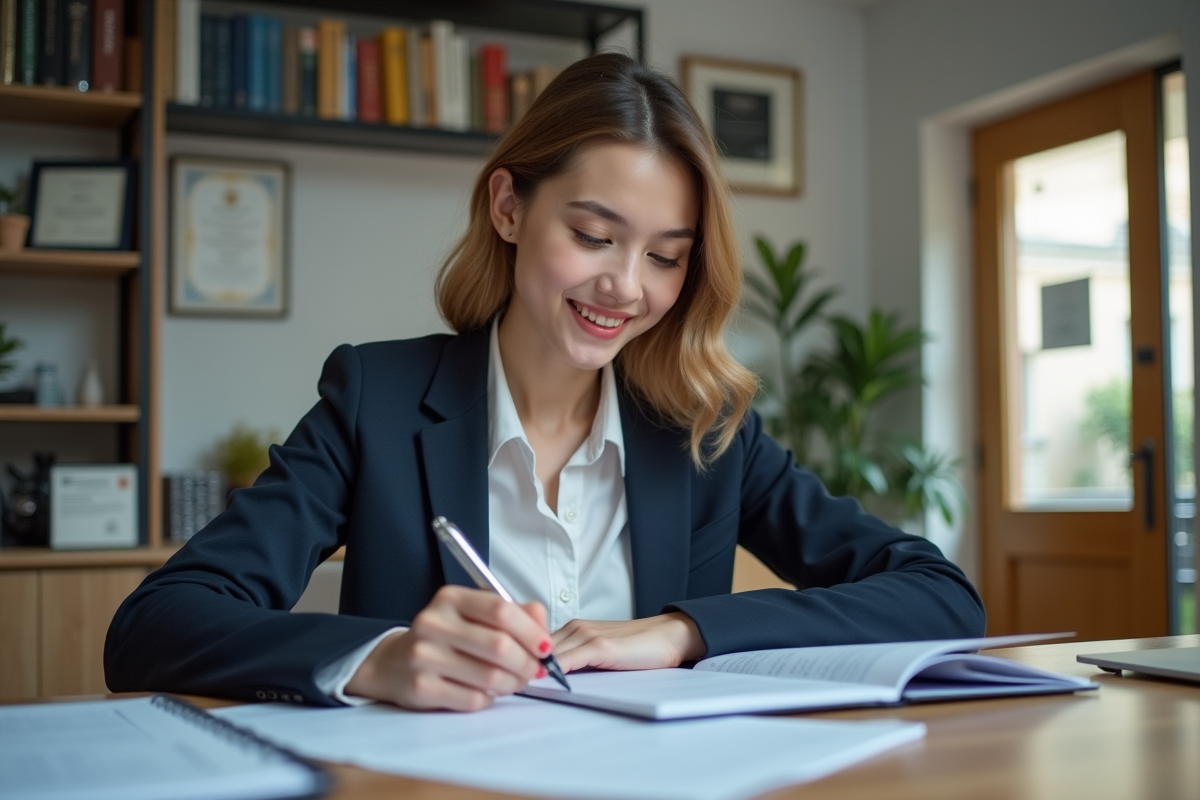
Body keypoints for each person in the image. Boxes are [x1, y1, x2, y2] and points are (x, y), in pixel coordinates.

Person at [105, 53, 984, 712]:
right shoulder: (373, 397)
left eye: (666, 256)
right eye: (596, 236)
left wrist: (683, 632)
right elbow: (154, 627)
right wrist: (379, 659)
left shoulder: (706, 427)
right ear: (509, 208)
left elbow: (941, 597)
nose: (628, 287)